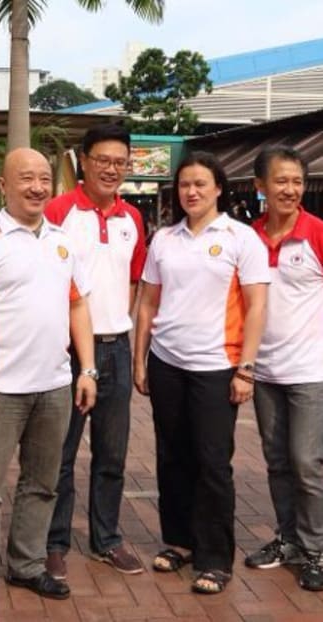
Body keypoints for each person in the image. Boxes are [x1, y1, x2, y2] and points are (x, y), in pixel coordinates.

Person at [0, 148, 97, 622]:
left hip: (55, 386)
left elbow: (78, 305)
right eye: (25, 178)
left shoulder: (63, 241)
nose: (37, 187)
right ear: (3, 186)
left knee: (42, 483)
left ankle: (27, 565)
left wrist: (87, 369)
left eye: (43, 179)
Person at [133, 151, 269, 595]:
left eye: (200, 184)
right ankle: (179, 541)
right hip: (167, 362)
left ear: (218, 189)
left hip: (217, 366)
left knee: (212, 462)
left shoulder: (240, 238)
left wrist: (246, 369)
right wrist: (140, 359)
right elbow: (148, 303)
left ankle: (214, 557)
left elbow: (257, 306)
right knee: (172, 456)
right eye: (185, 184)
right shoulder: (164, 239)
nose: (191, 192)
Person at [44, 124, 147, 579]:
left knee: (112, 453)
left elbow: (133, 281)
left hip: (116, 349)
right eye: (102, 160)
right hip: (67, 352)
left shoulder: (133, 219)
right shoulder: (58, 211)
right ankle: (54, 542)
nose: (111, 169)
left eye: (119, 162)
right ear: (82, 161)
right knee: (59, 454)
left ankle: (106, 539)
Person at [244, 146, 323, 591]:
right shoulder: (248, 239)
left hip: (311, 372)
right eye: (281, 181)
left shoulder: (317, 234)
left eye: (297, 181)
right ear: (261, 186)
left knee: (306, 463)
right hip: (264, 373)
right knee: (276, 462)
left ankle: (316, 549)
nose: (290, 190)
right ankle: (288, 539)